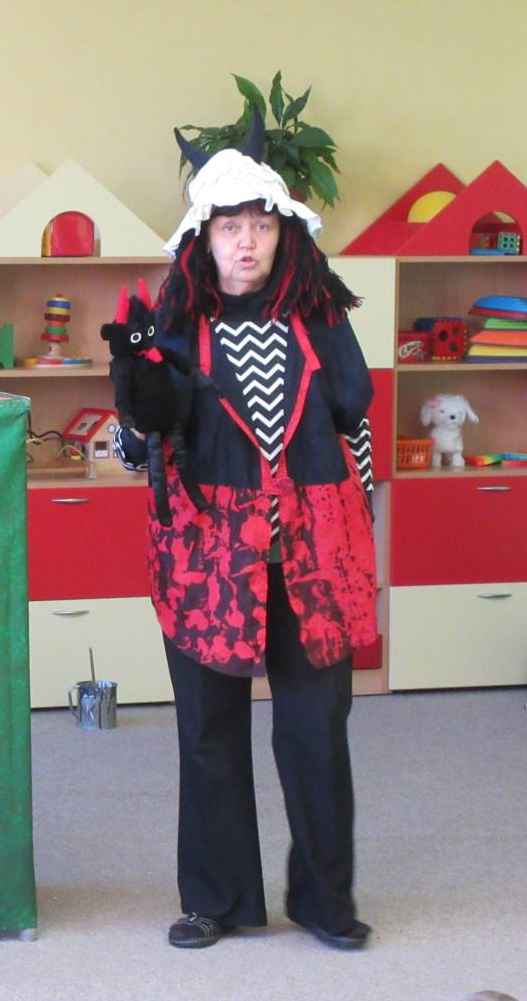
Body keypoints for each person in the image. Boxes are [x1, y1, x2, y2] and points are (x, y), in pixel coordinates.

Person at [113, 131, 377, 951]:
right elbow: (138, 446)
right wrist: (135, 415)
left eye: (262, 225)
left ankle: (325, 900)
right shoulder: (172, 327)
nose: (247, 242)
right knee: (208, 729)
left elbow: (353, 423)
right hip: (206, 556)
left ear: (284, 234)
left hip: (311, 554)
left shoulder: (322, 321)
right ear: (204, 237)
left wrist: (357, 519)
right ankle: (216, 898)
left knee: (316, 728)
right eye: (230, 227)